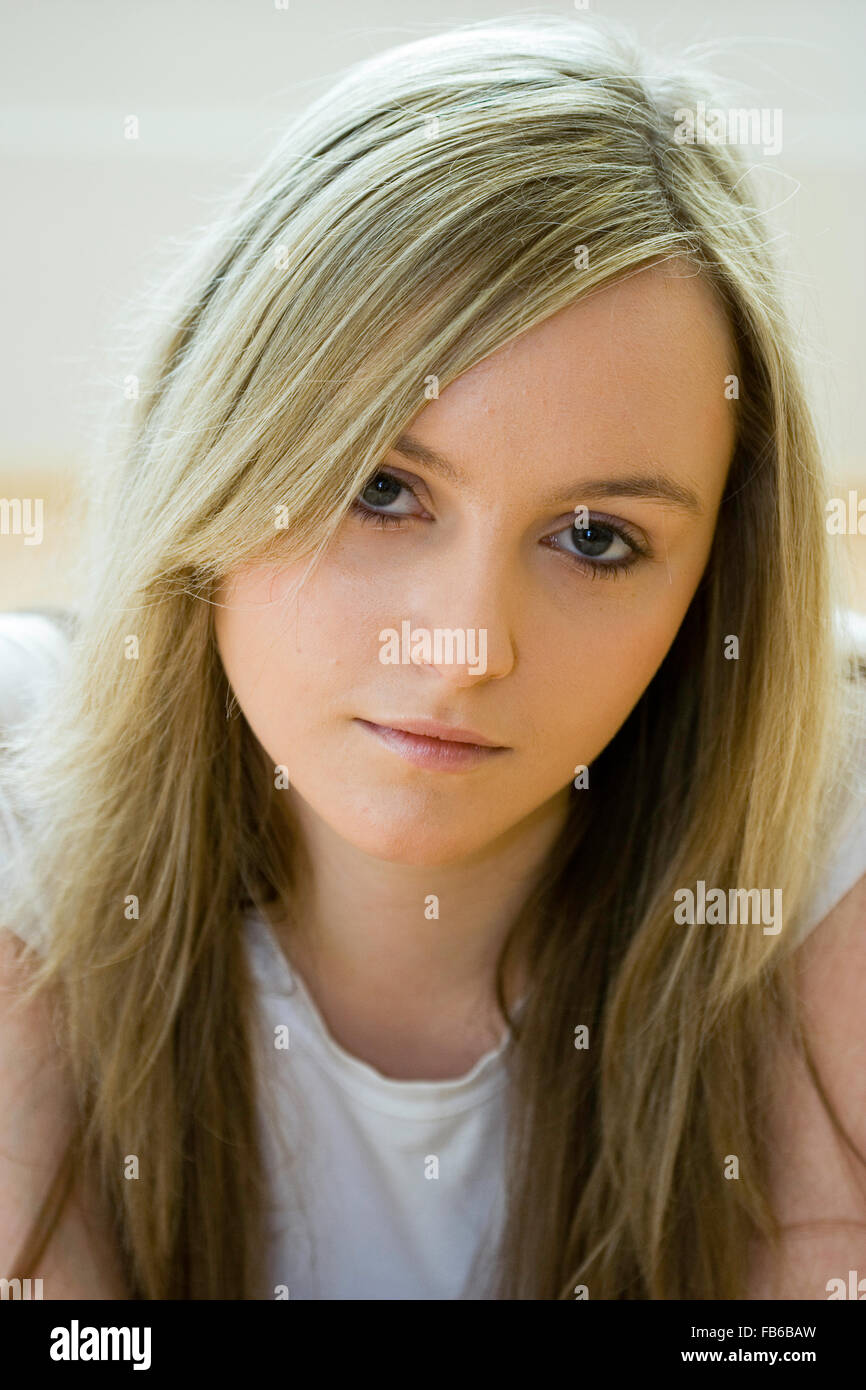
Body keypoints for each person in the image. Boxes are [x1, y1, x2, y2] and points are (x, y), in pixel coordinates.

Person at [1, 14, 865, 1301]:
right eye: (379, 487)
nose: (463, 647)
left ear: (715, 583)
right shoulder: (21, 786)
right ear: (217, 447)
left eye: (593, 536)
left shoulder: (830, 813)